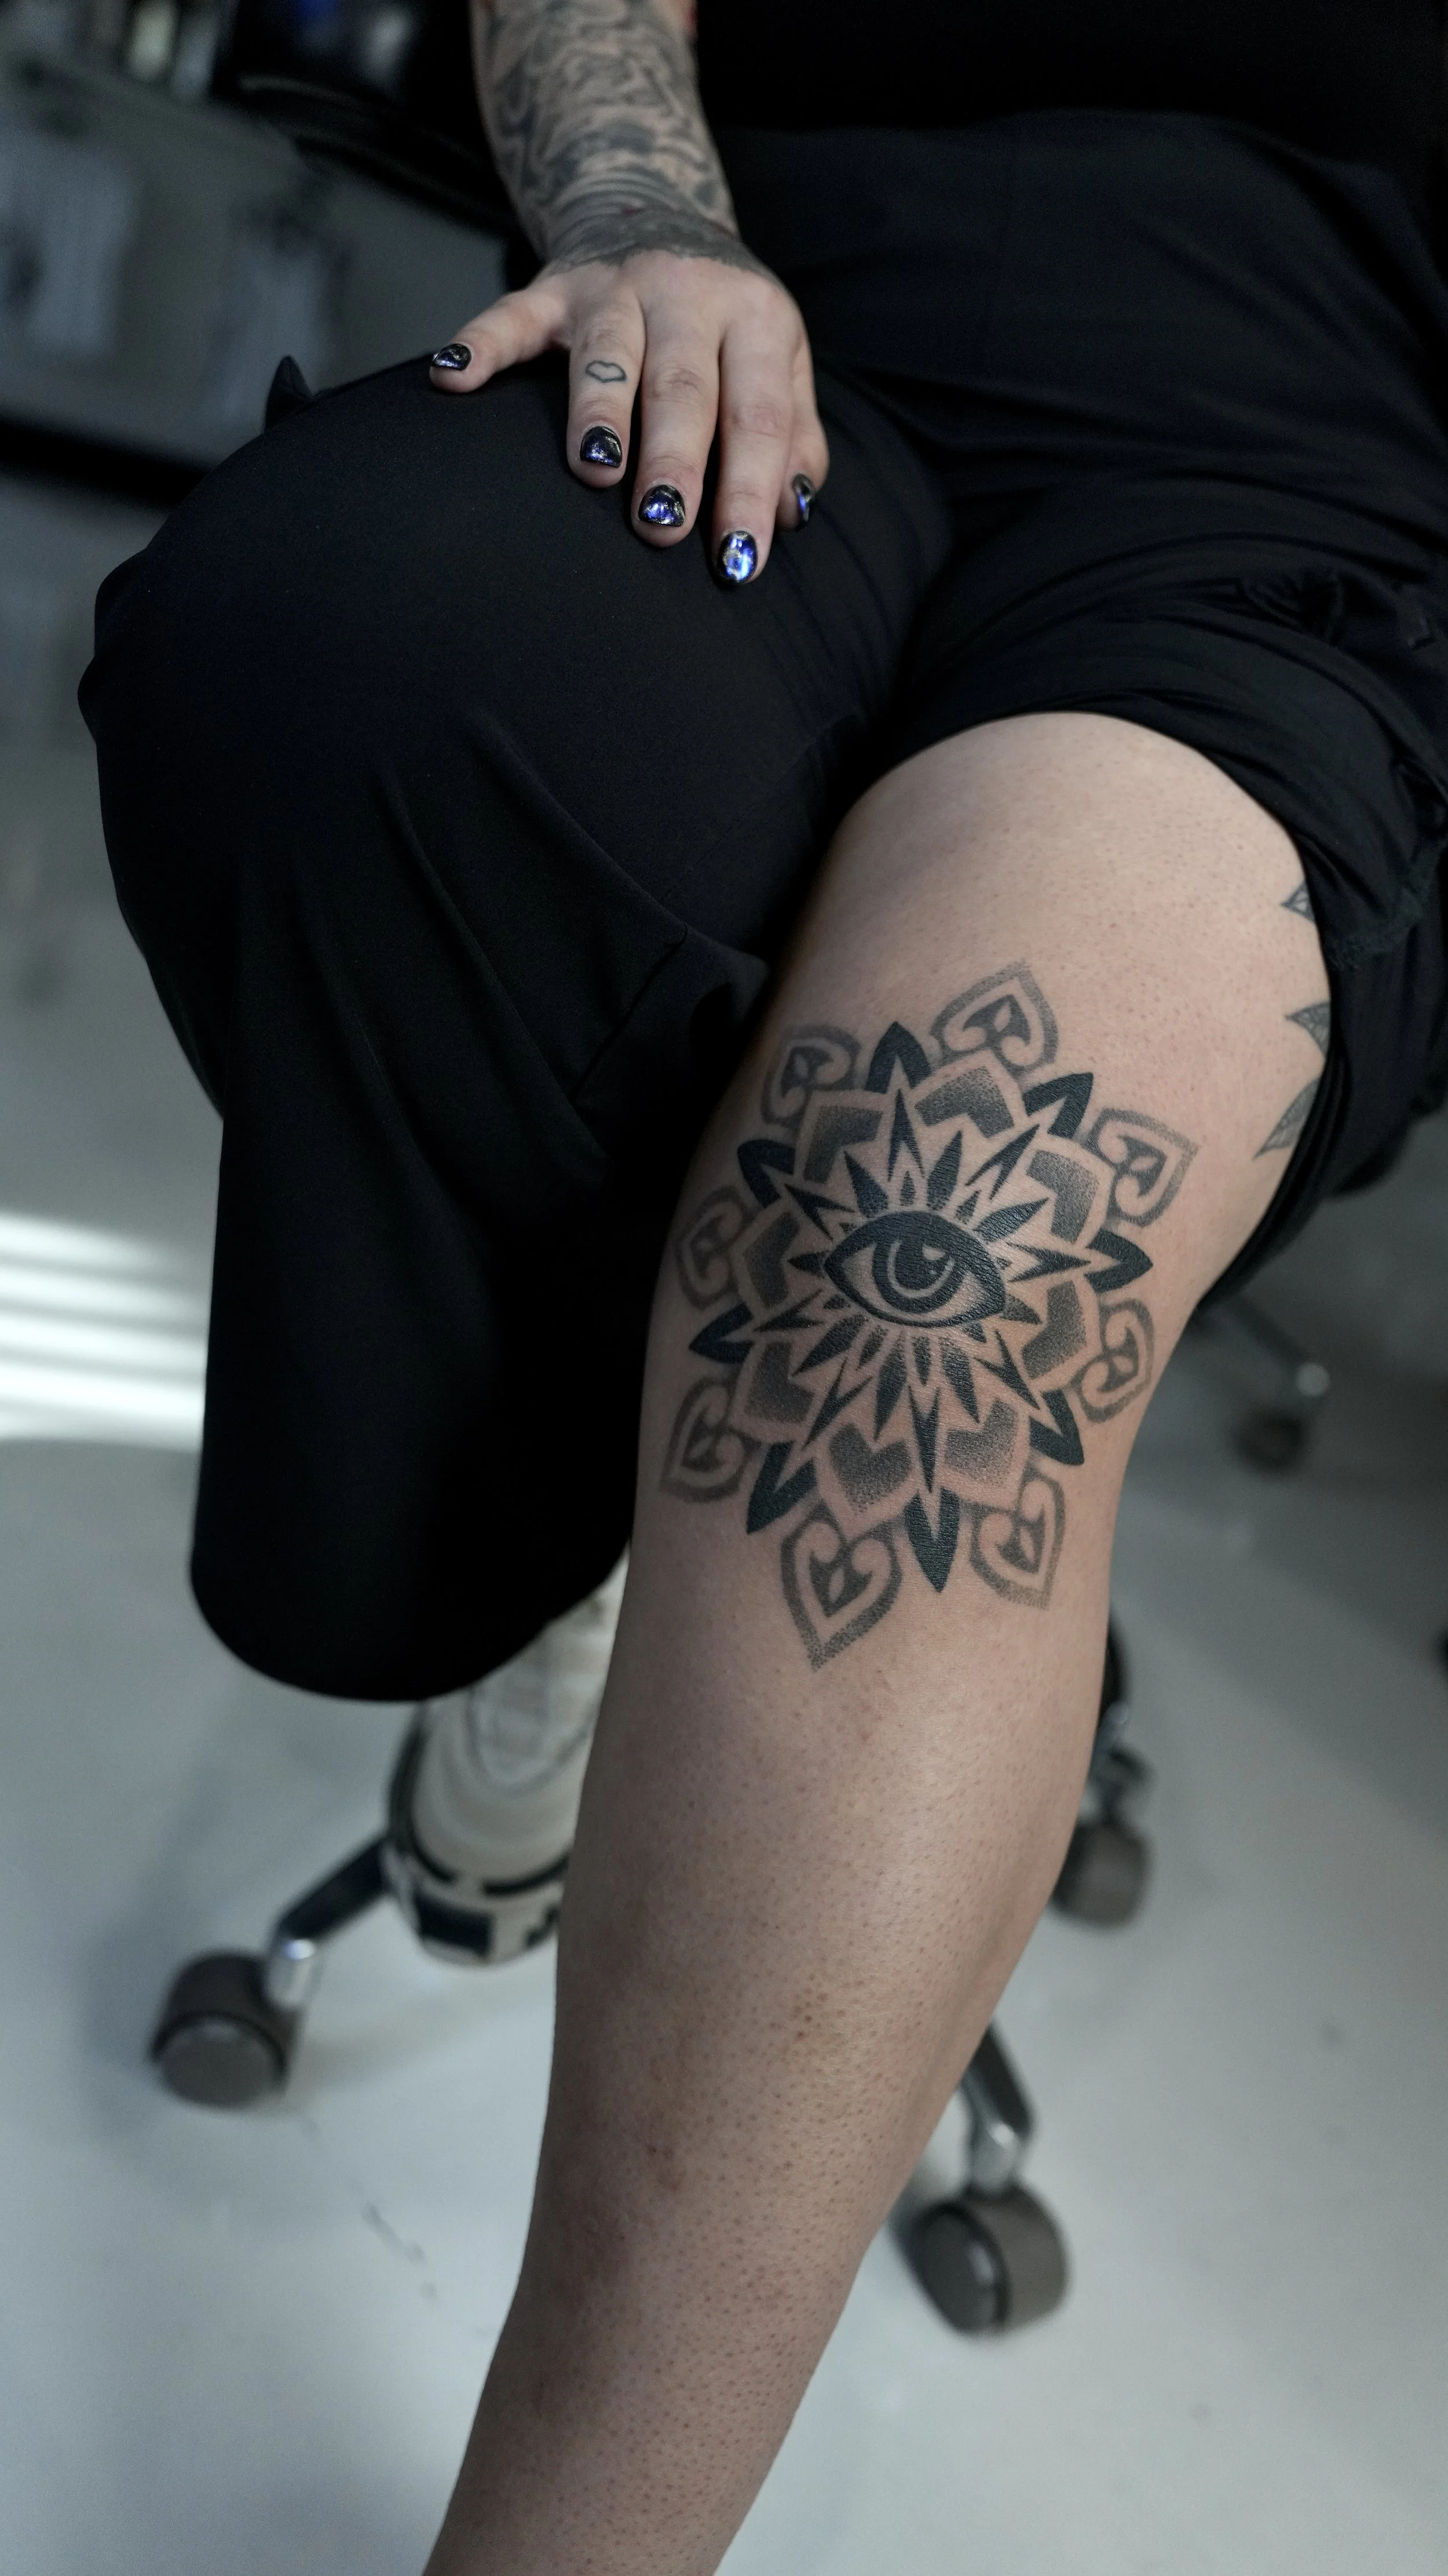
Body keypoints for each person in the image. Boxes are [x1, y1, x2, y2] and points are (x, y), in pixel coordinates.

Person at [81, 1, 1448, 2566]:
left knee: (932, 1245)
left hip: (1275, 500)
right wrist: (640, 219)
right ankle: (564, 1557)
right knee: (340, 636)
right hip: (764, 363)